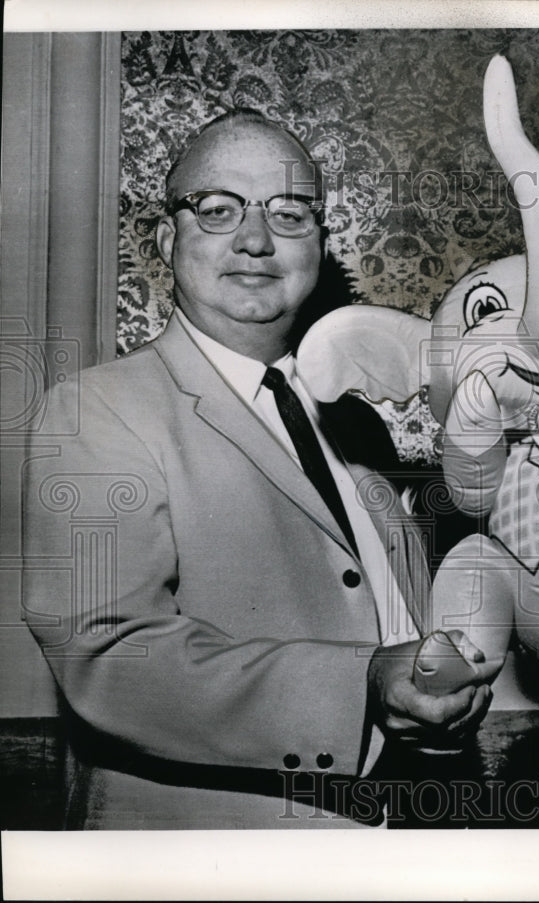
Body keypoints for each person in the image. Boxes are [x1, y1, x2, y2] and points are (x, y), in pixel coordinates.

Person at [22, 109, 493, 829]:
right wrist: (361, 687)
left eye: (290, 212)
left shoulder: (354, 420)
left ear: (320, 246)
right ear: (164, 239)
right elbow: (109, 653)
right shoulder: (95, 411)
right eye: (217, 210)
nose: (255, 238)